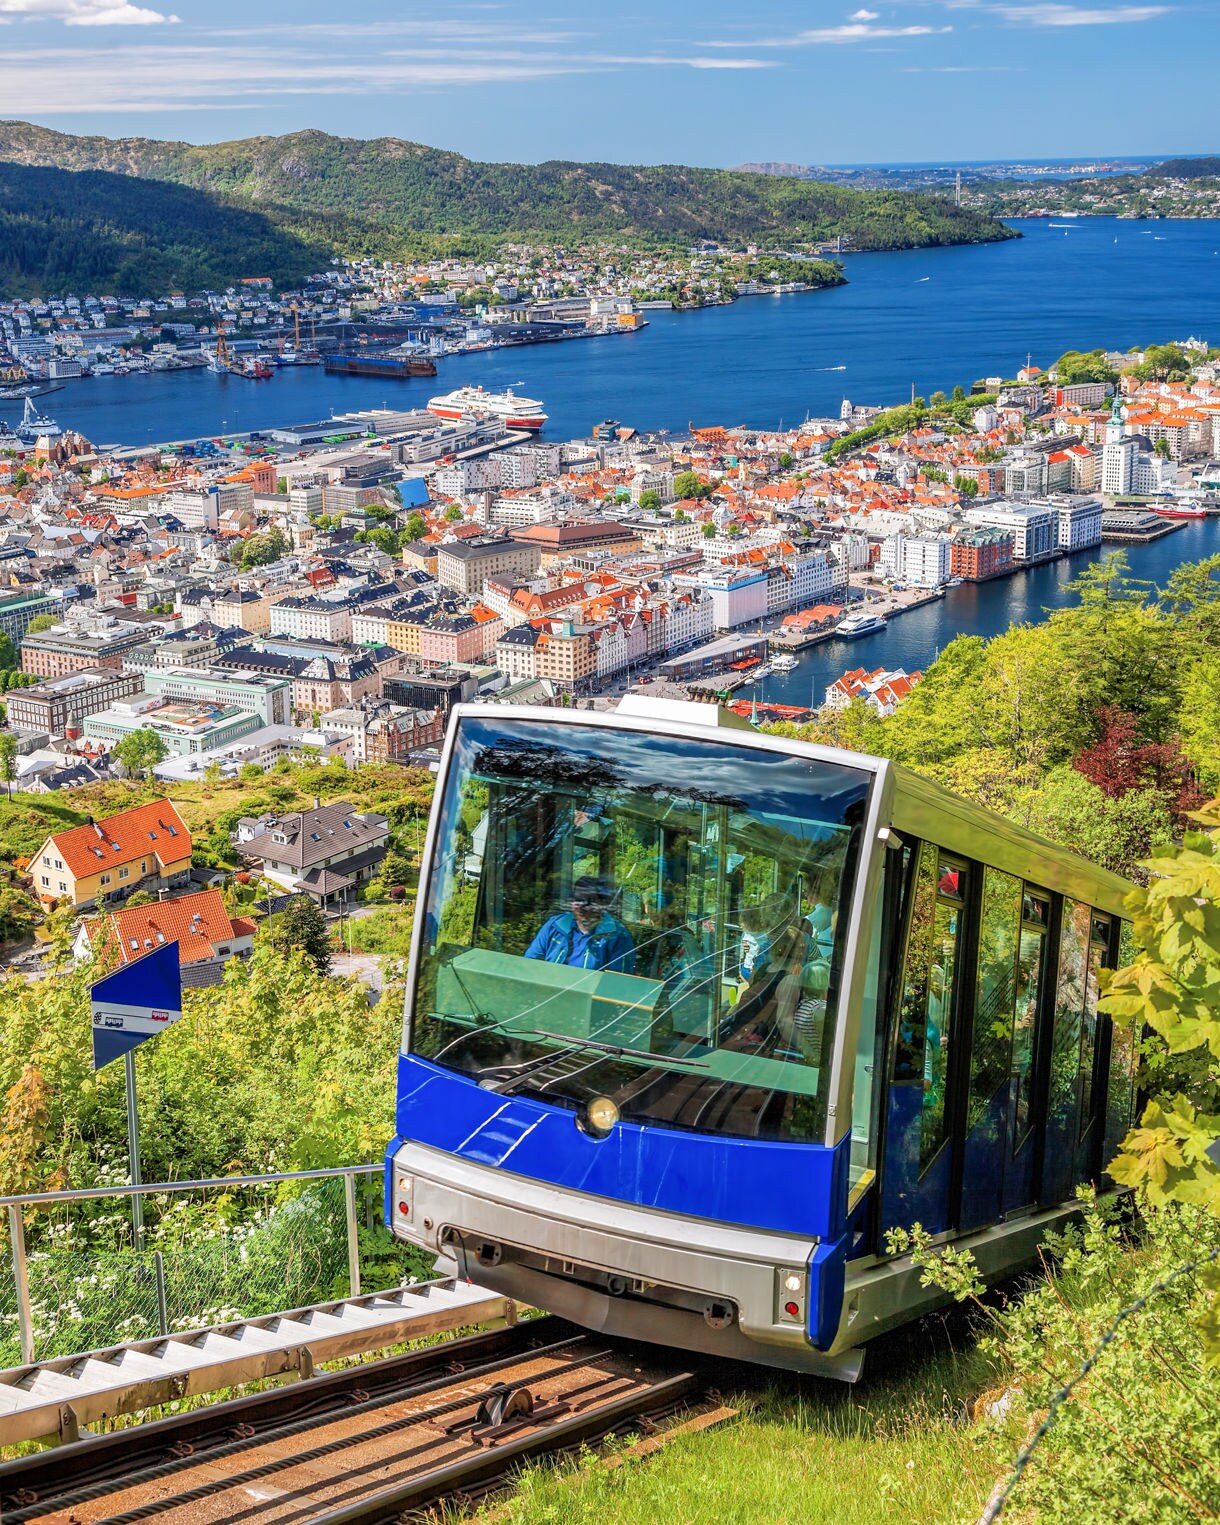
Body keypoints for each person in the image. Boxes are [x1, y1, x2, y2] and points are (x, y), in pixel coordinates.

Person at [525, 876, 636, 973]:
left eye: (589, 901)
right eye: (578, 899)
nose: (581, 906)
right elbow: (529, 964)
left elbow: (618, 984)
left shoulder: (618, 936)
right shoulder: (554, 926)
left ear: (601, 904)